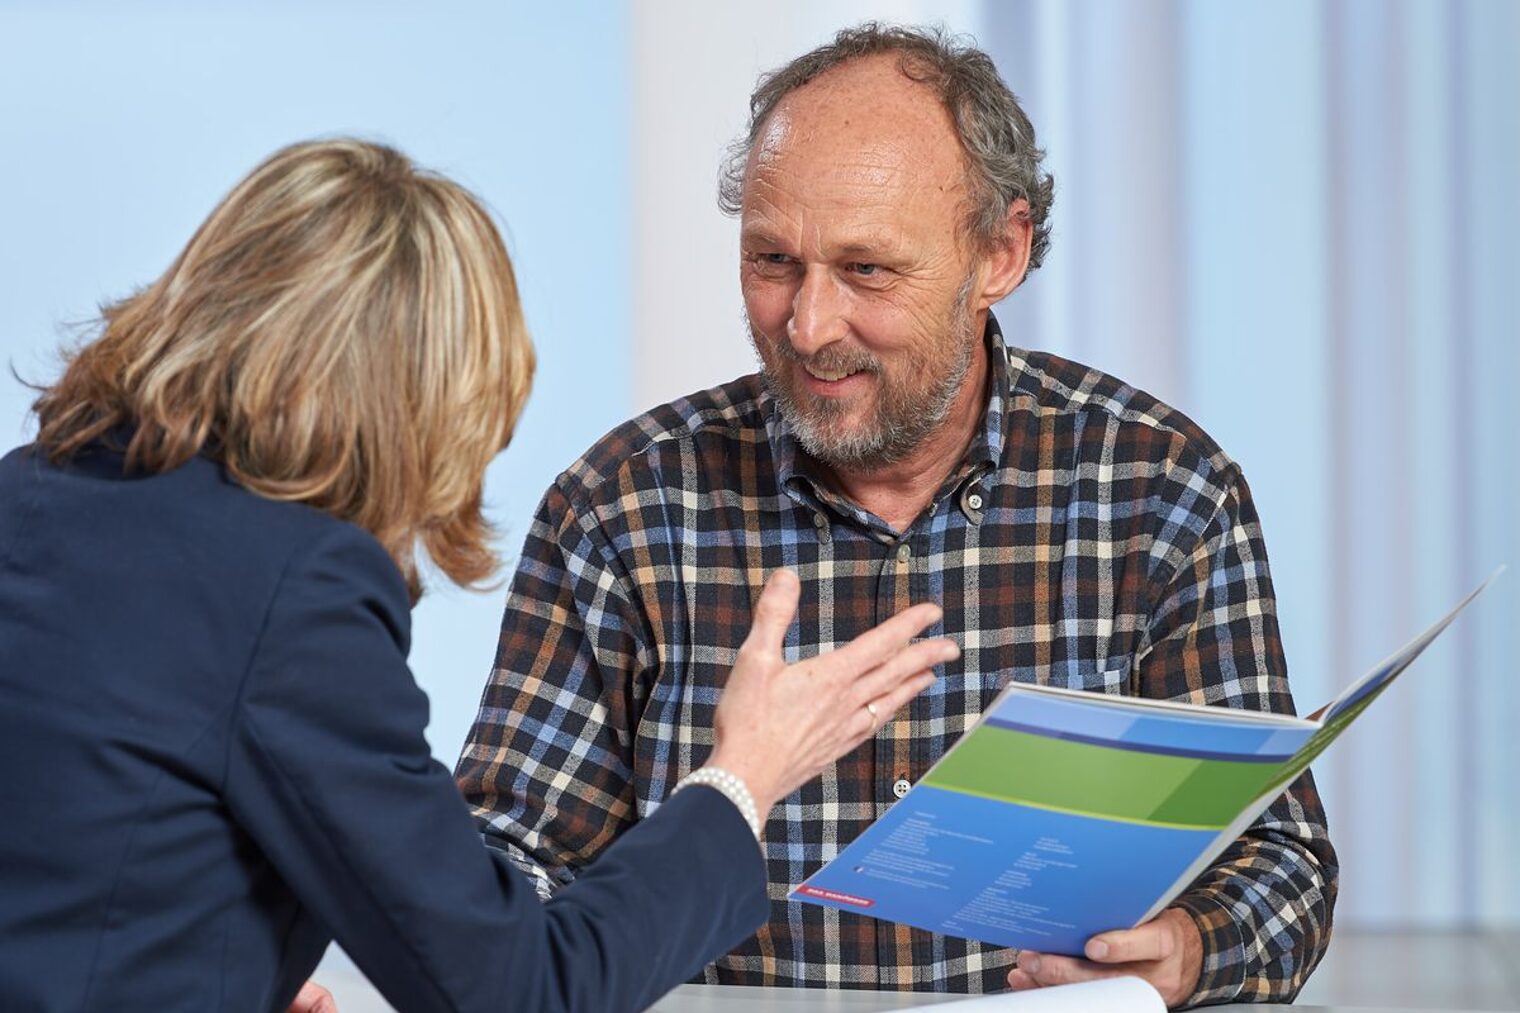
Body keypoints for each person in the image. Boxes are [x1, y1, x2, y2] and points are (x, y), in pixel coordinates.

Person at [455, 23, 1338, 1010]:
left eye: (866, 270)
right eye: (771, 259)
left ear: (996, 253)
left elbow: (1278, 865)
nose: (807, 325)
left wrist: (1186, 947)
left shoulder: (1162, 493)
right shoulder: (621, 509)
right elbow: (504, 878)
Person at [0, 138, 956, 1012]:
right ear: (421, 402)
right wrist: (743, 776)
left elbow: (90, 876)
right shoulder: (292, 587)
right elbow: (518, 989)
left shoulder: (29, 493)